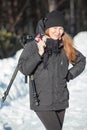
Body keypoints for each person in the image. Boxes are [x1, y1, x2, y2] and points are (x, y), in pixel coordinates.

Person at [18, 10, 86, 130]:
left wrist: (69, 75)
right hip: (42, 101)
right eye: (54, 27)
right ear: (47, 28)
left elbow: (81, 61)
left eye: (61, 28)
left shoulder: (64, 45)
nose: (58, 31)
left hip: (61, 100)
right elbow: (24, 68)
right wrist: (39, 53)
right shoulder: (33, 45)